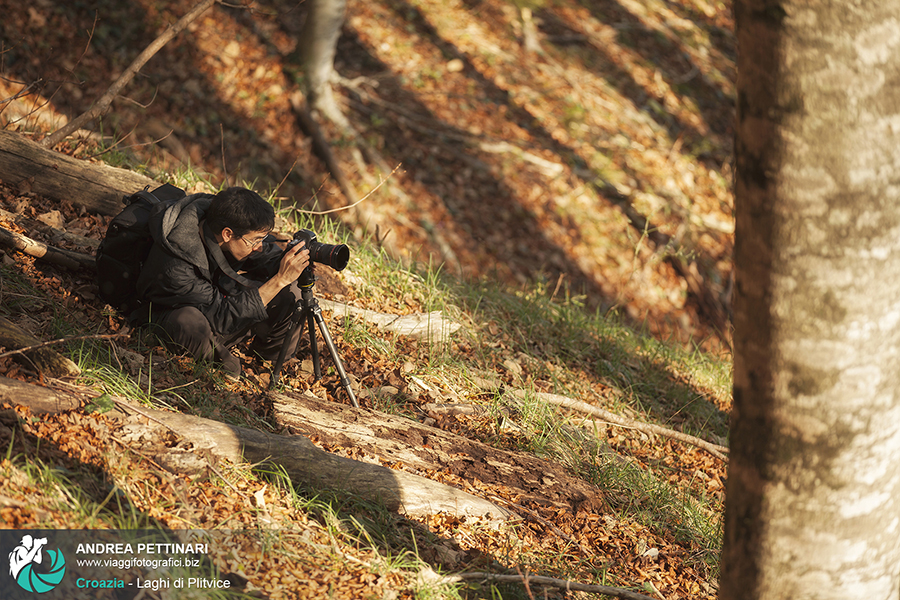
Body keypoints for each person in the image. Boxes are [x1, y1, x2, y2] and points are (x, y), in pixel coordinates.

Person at [131, 186, 310, 377]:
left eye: (263, 239)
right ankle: (226, 365)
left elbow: (265, 257)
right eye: (255, 240)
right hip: (168, 318)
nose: (259, 247)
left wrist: (292, 262)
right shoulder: (176, 265)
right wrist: (279, 279)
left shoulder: (224, 225)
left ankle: (268, 366)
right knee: (187, 321)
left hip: (213, 304)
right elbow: (221, 317)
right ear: (227, 234)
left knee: (292, 292)